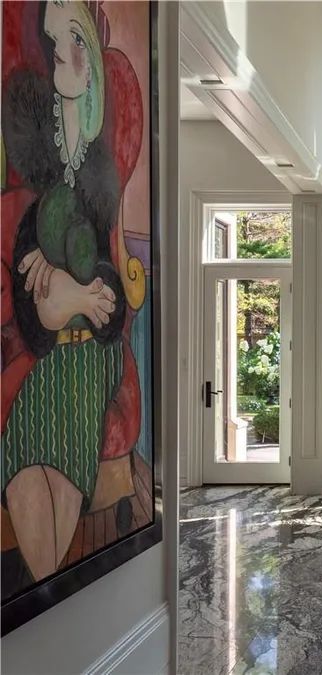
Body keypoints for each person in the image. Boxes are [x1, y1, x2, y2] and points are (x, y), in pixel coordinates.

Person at [1, 0, 126, 583]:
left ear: (93, 56)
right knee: (23, 468)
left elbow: (109, 300)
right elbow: (37, 307)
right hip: (51, 359)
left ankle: (50, 609)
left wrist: (76, 295)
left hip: (88, 362)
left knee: (60, 480)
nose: (63, 56)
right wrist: (66, 292)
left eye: (74, 39)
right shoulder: (41, 176)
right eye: (54, 43)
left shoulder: (101, 175)